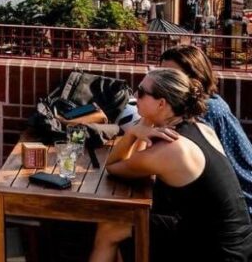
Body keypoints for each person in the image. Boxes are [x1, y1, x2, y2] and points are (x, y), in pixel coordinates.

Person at [88, 68, 252, 262]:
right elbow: (139, 162)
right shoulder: (200, 127)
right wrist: (145, 124)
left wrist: (133, 133)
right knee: (120, 225)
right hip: (235, 239)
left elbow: (114, 166)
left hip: (217, 250)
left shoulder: (171, 148)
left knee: (110, 227)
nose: (134, 96)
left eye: (141, 92)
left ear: (161, 103)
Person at [162, 45, 252, 214]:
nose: (165, 82)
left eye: (172, 76)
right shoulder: (204, 103)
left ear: (196, 76)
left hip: (241, 206)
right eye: (162, 75)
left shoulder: (205, 111)